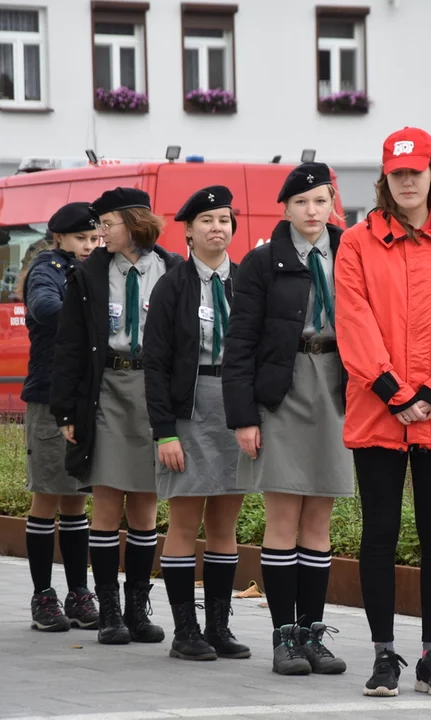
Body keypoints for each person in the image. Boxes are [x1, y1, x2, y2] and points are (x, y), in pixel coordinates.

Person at [334, 127, 431, 698]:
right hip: (380, 411)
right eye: (397, 173)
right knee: (379, 533)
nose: (406, 181)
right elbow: (353, 322)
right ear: (386, 178)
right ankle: (383, 655)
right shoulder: (356, 243)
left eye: (415, 172)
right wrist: (395, 393)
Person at [222, 162, 352, 677]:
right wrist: (244, 417)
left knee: (319, 519)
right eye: (302, 203)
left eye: (321, 201)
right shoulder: (261, 262)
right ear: (286, 208)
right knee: (283, 518)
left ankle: (313, 634)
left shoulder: (350, 250)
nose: (312, 211)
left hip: (337, 387)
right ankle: (283, 637)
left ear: (331, 203)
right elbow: (241, 343)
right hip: (281, 388)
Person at [49, 187, 182, 646]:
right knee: (106, 502)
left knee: (145, 505)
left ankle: (136, 608)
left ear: (134, 222)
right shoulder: (89, 275)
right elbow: (68, 345)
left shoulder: (171, 270)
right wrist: (65, 409)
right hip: (105, 389)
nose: (99, 232)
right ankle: (107, 609)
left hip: (154, 392)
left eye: (107, 224)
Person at [144, 186, 254, 662]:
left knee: (226, 522)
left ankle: (219, 627)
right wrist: (164, 431)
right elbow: (156, 364)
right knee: (186, 520)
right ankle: (185, 631)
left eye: (225, 220)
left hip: (237, 410)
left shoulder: (248, 280)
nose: (217, 228)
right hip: (189, 411)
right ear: (187, 231)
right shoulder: (173, 284)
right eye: (207, 220)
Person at [18, 202, 100, 632]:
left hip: (83, 400)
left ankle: (78, 594)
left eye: (94, 239)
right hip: (49, 398)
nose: (89, 246)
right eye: (81, 239)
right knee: (47, 496)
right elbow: (45, 309)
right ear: (60, 238)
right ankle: (42, 596)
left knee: (76, 499)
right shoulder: (47, 268)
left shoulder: (93, 265)